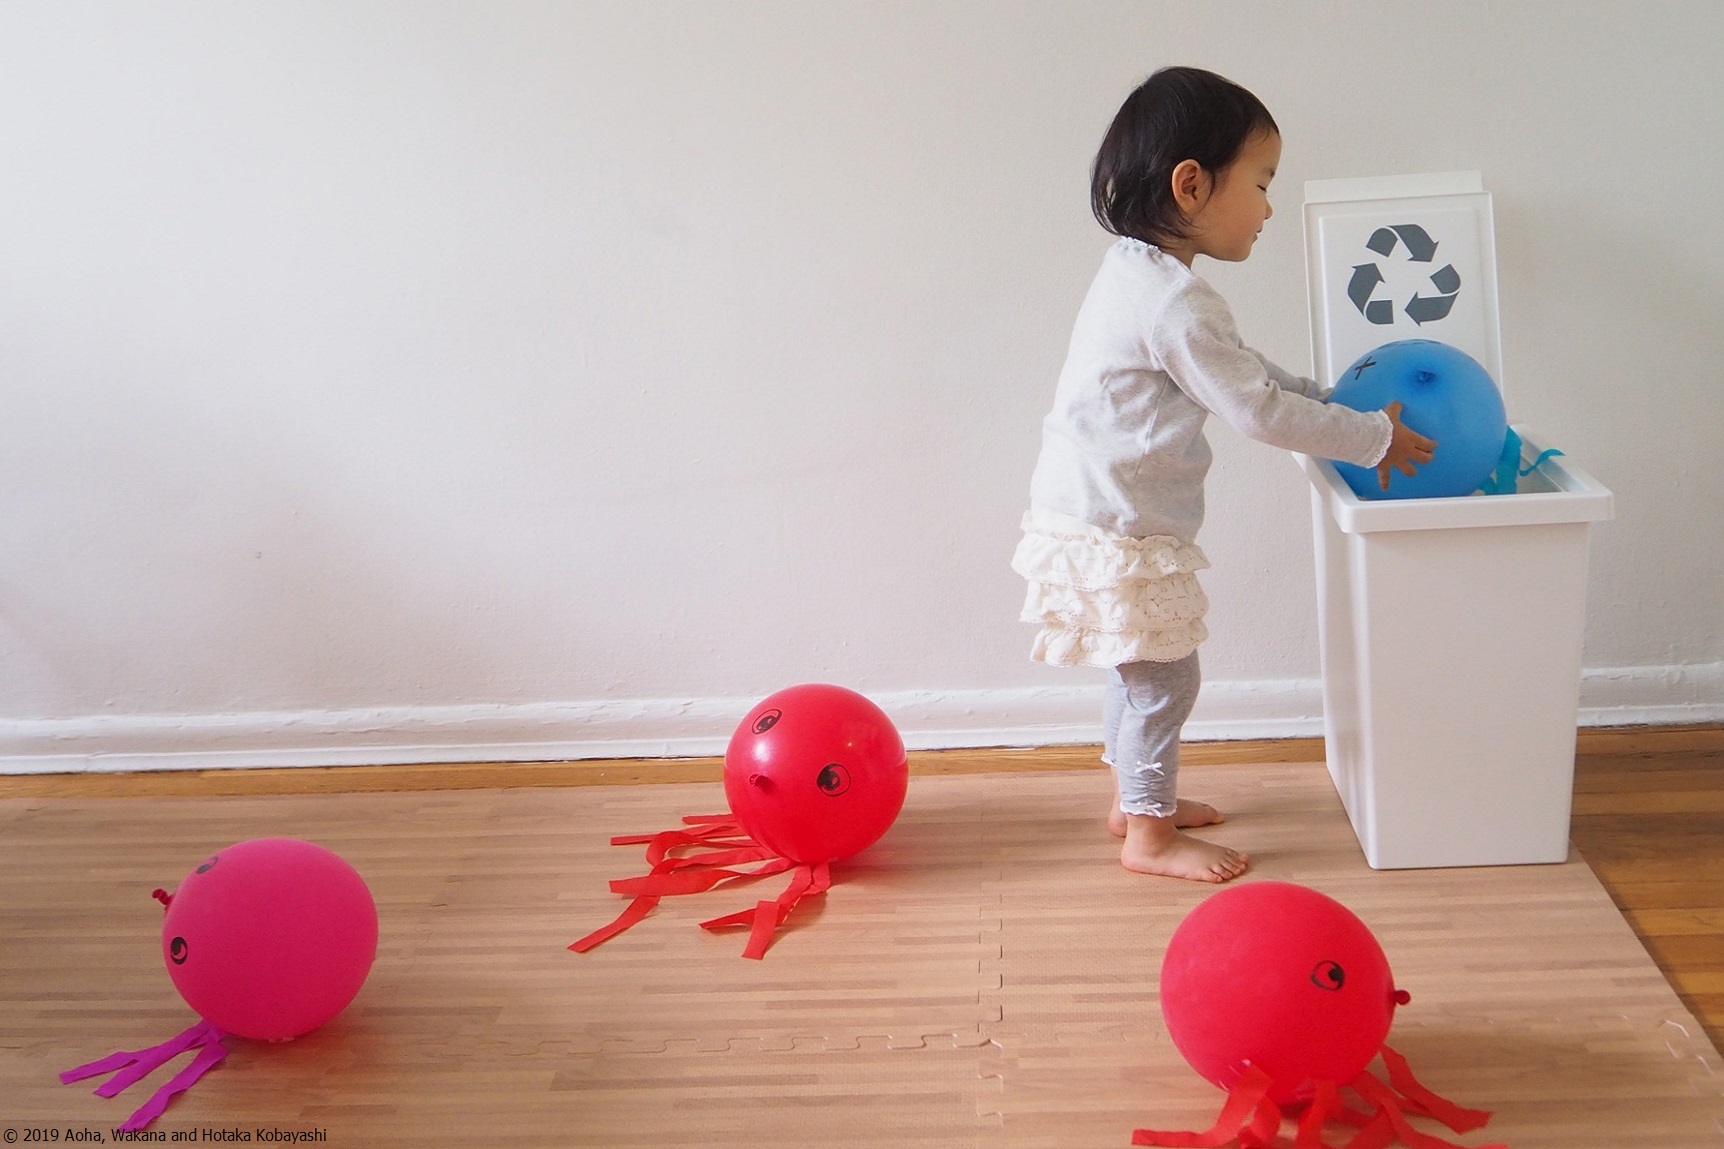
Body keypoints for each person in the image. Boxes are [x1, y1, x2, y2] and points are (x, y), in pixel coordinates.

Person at [1011, 66, 1435, 883]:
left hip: (1091, 513)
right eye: (1264, 183)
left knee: (1139, 666)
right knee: (1165, 680)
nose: (1271, 208)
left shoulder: (1142, 276)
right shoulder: (1176, 304)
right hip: (1116, 526)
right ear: (1193, 184)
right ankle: (1150, 834)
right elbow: (1257, 412)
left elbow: (1245, 374)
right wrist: (1373, 437)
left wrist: (1328, 393)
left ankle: (1137, 800)